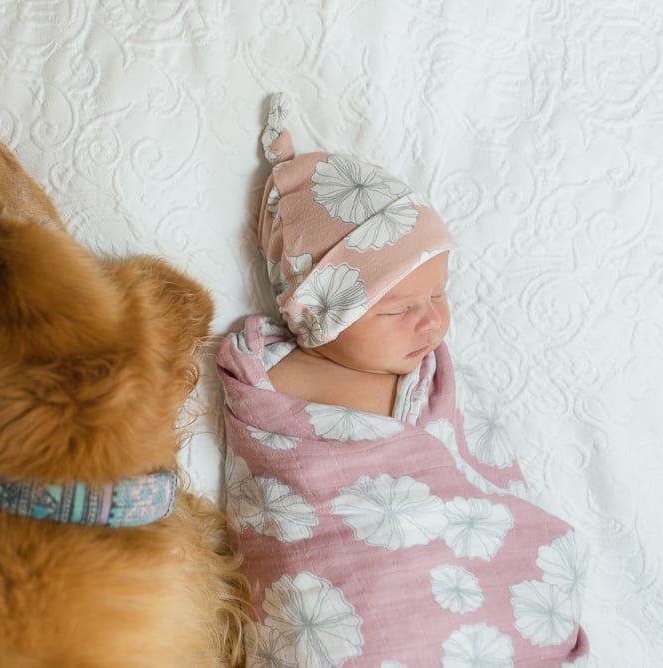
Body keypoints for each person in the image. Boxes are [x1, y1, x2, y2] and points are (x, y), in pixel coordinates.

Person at [217, 94, 588, 666]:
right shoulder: (263, 384)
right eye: (398, 309)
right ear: (319, 315)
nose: (431, 321)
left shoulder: (432, 379)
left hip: (470, 587)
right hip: (355, 603)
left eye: (439, 294)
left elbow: (477, 485)